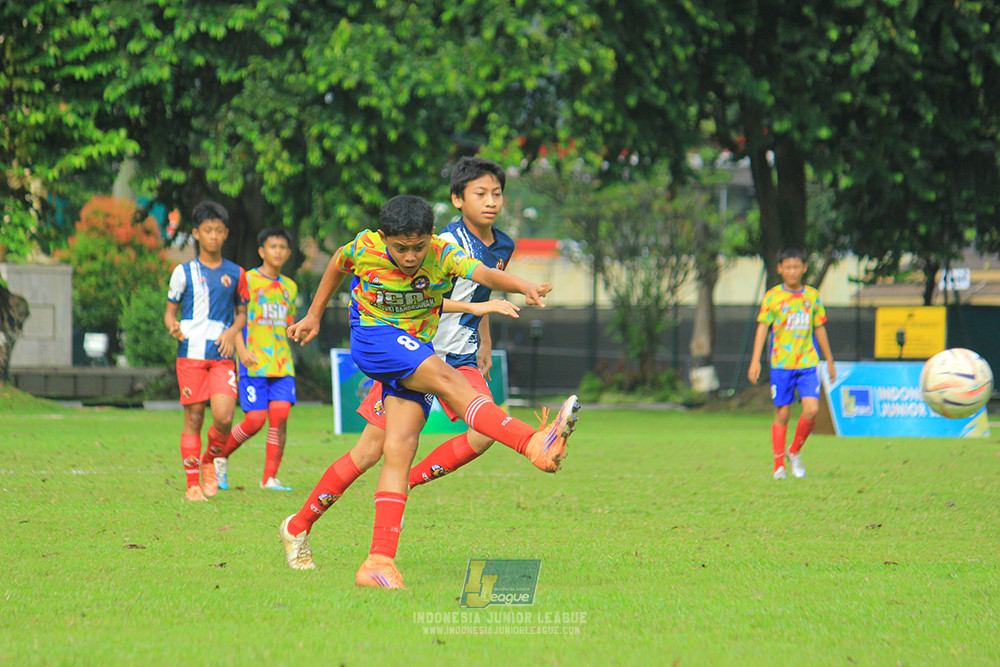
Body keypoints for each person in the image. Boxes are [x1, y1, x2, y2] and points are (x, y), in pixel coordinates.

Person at [280, 193, 580, 589]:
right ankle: (532, 444)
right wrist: (314, 314)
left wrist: (522, 284)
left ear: (431, 237)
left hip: (414, 351)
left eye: (418, 247)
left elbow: (485, 275)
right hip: (373, 340)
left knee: (390, 450)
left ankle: (367, 557)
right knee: (447, 380)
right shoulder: (365, 247)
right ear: (384, 237)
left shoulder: (444, 253)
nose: (409, 256)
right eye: (400, 248)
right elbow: (338, 261)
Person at [164, 201, 249, 501]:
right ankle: (192, 485)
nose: (213, 236)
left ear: (225, 234)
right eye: (207, 231)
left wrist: (231, 332)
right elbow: (170, 313)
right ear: (196, 233)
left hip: (222, 356)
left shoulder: (237, 273)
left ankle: (209, 459)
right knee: (195, 418)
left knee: (224, 417)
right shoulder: (183, 272)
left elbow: (241, 313)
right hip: (190, 354)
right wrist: (173, 326)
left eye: (219, 231)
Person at [210, 227, 298, 492]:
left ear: (289, 252)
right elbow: (233, 319)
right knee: (255, 420)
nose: (278, 252)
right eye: (273, 247)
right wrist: (241, 351)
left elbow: (288, 323)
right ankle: (220, 457)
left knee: (280, 416)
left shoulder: (290, 287)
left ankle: (269, 478)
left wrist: (298, 333)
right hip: (253, 361)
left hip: (282, 362)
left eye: (283, 248)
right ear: (262, 251)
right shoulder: (246, 280)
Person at [748, 246, 836, 480]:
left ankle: (794, 451)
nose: (792, 271)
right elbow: (762, 327)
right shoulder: (773, 296)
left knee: (812, 409)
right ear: (779, 269)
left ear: (804, 268)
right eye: (788, 267)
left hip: (808, 363)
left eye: (797, 266)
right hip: (781, 364)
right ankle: (779, 466)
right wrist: (756, 360)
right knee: (783, 414)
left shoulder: (812, 296)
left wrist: (829, 360)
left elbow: (819, 328)